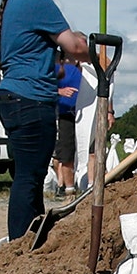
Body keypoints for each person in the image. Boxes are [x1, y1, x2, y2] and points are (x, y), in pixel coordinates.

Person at [0, 0, 89, 239]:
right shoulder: (38, 2)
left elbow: (25, 55)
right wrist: (90, 49)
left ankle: (31, 238)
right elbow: (73, 46)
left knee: (29, 175)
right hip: (31, 99)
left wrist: (54, 67)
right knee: (29, 177)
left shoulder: (13, 2)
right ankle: (20, 242)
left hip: (14, 96)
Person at [51, 60, 82, 198]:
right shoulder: (57, 67)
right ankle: (63, 185)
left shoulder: (85, 69)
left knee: (79, 150)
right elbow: (45, 85)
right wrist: (59, 91)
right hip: (63, 114)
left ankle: (71, 184)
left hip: (81, 113)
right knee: (64, 152)